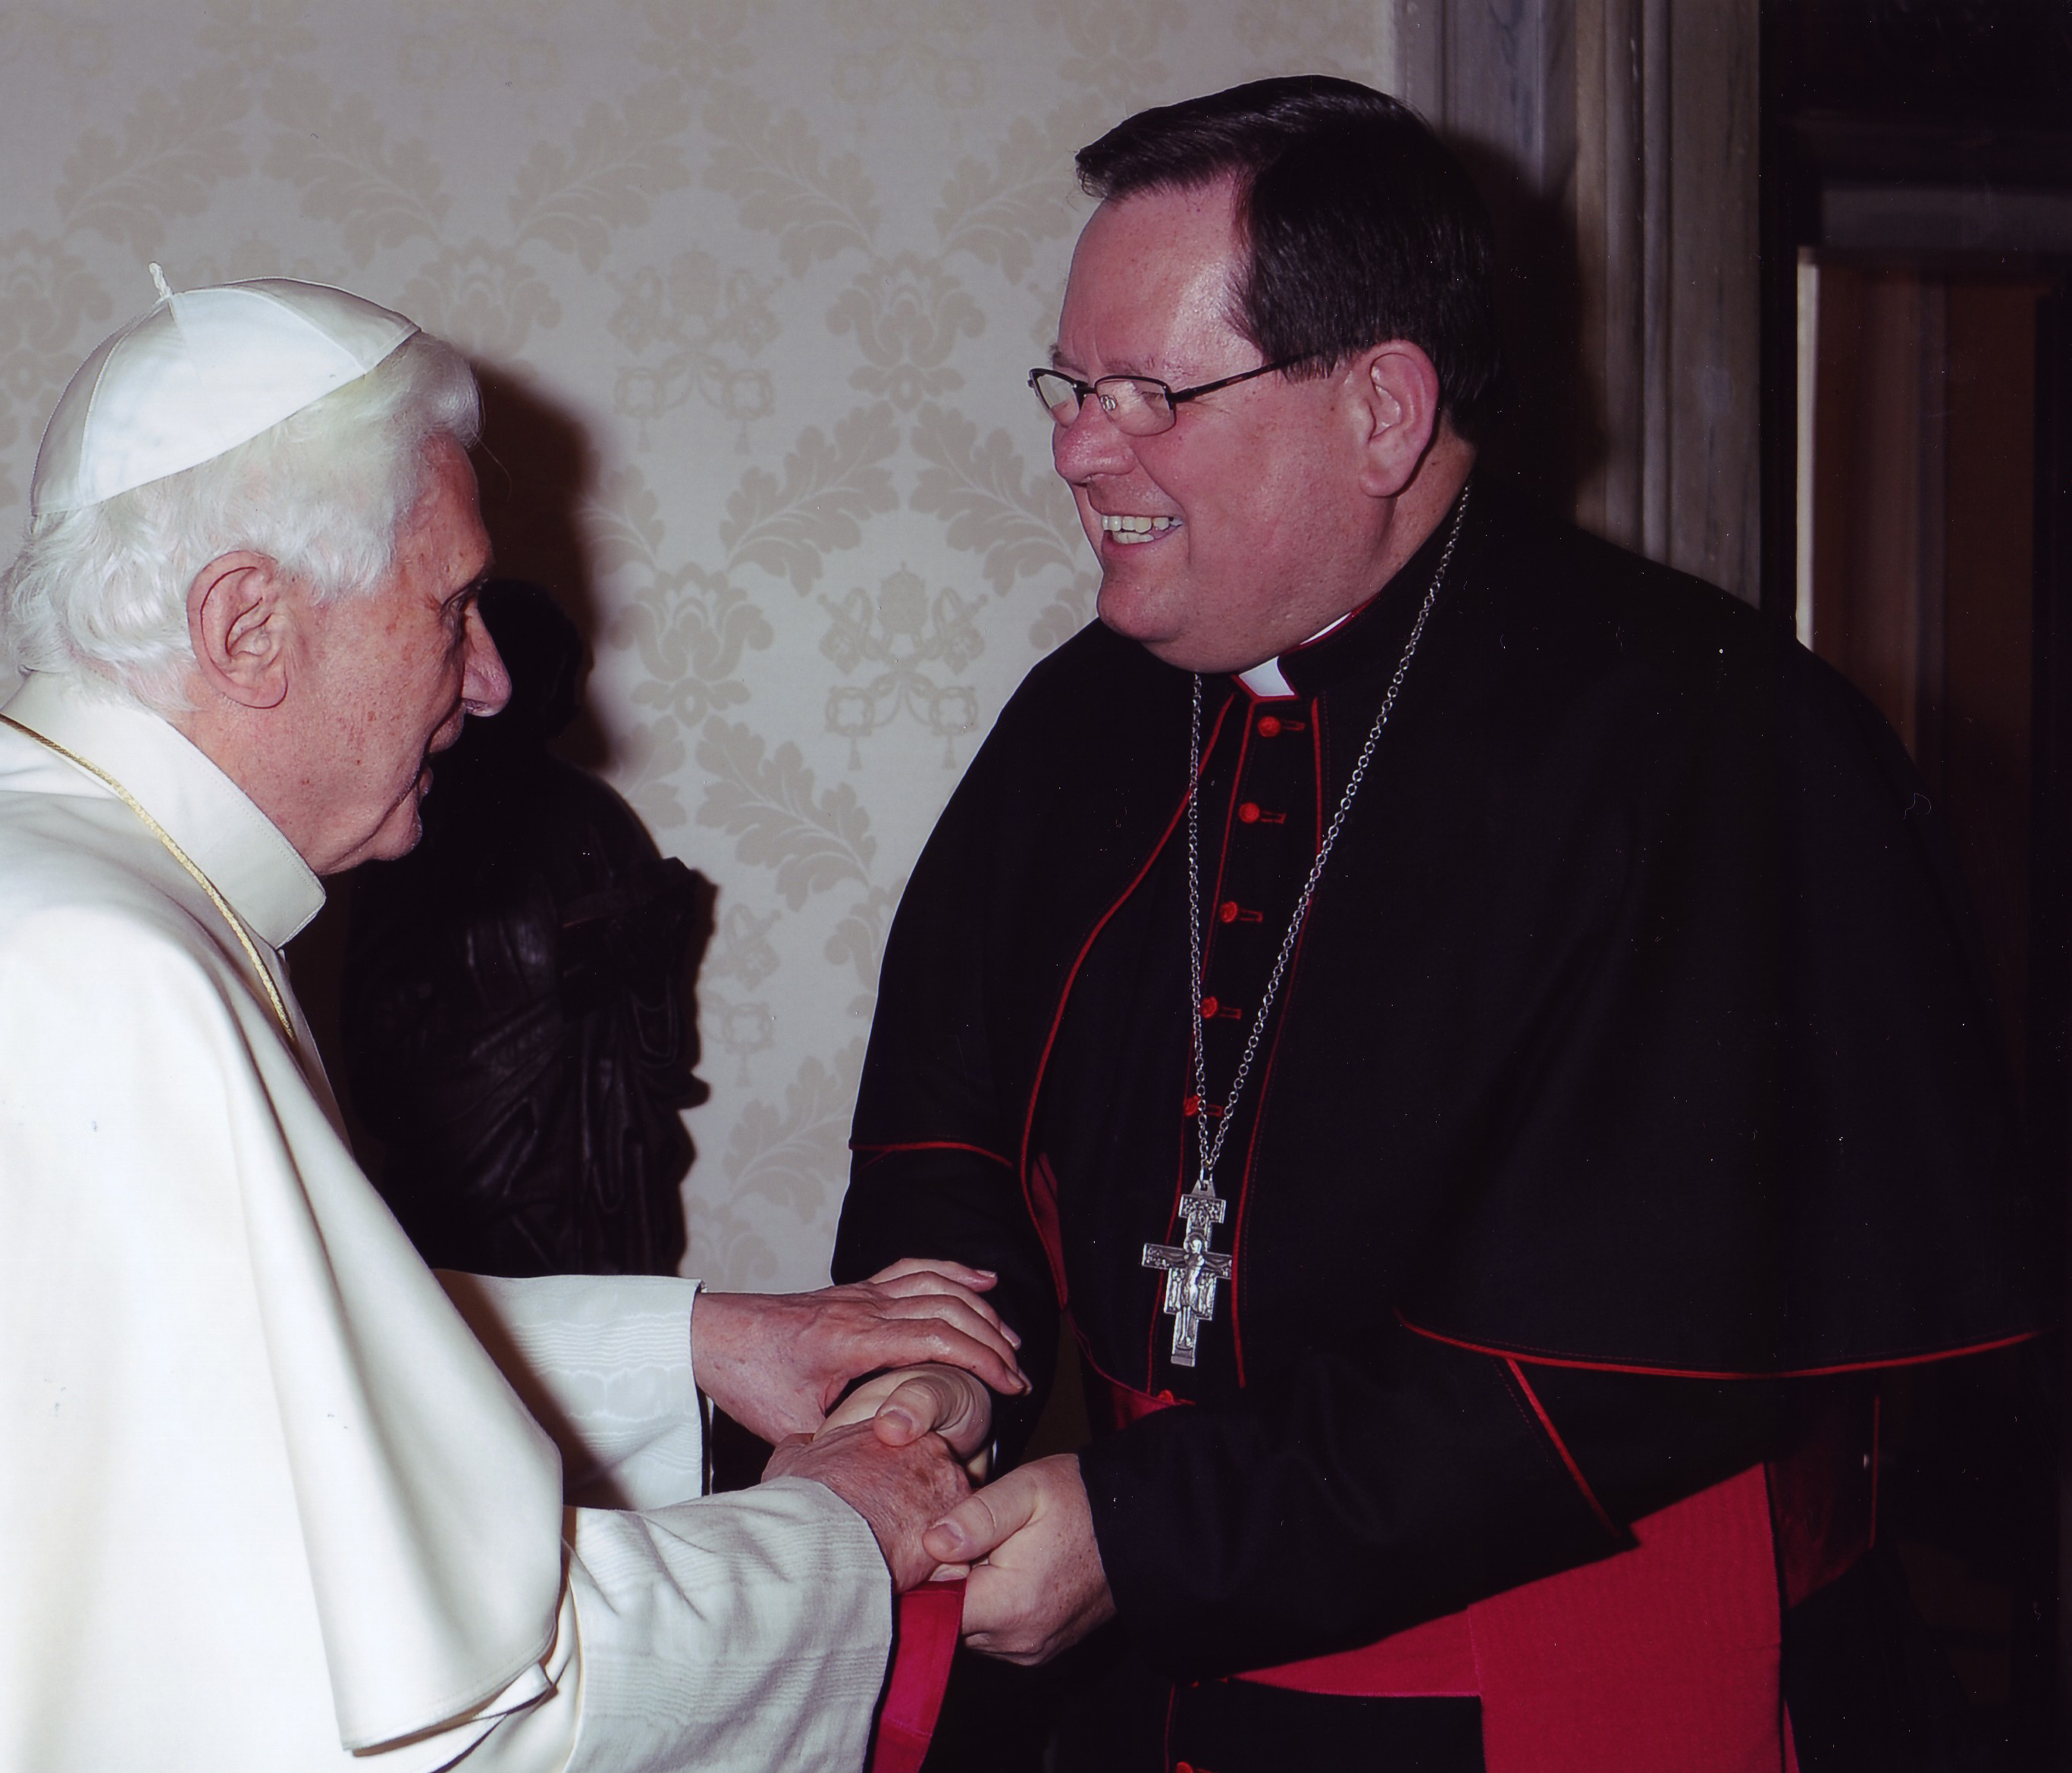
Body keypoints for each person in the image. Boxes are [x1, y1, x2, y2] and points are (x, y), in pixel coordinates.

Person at [0, 277, 1021, 1773]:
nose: (490, 679)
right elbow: (475, 1715)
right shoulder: (103, 970)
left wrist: (695, 1341)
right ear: (249, 624)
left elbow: (211, 1372)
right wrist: (835, 1532)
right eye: (450, 606)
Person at [831, 78, 2038, 1771]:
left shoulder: (1709, 736)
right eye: (1072, 387)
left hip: (1558, 1673)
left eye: (1149, 393)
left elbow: (1609, 1362)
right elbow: (949, 1134)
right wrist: (926, 1377)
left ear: (1383, 409)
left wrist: (1150, 1529)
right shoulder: (1080, 723)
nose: (1078, 449)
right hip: (1151, 1679)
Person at [329, 578, 707, 1278]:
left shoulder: (591, 815)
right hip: (461, 1174)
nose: (572, 698)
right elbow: (373, 1035)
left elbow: (653, 1045)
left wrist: (638, 955)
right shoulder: (414, 827)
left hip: (586, 1167)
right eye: (560, 672)